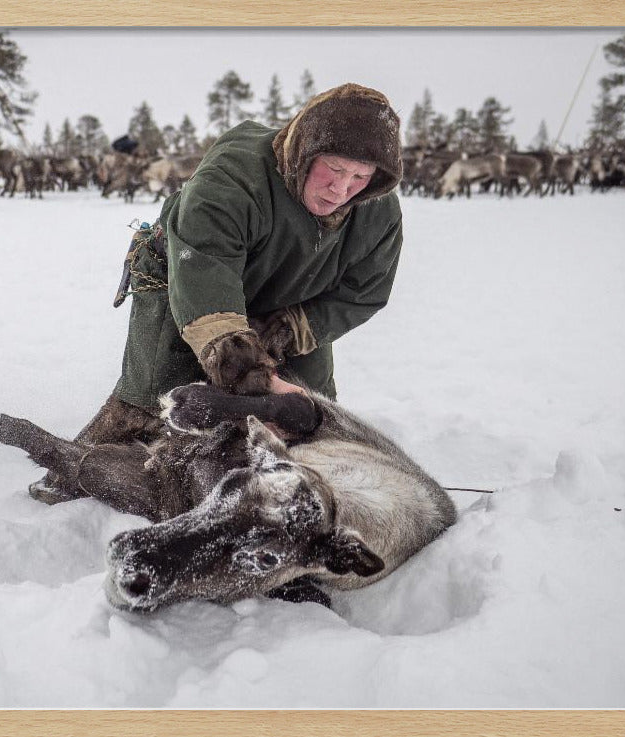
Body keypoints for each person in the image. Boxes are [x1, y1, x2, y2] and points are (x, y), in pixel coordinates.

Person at [30, 82, 404, 503]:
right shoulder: (233, 178)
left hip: (288, 304)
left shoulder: (378, 214)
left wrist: (291, 328)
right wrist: (250, 375)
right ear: (306, 152)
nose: (342, 189)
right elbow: (205, 265)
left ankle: (301, 492)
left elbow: (364, 291)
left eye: (360, 176)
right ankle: (67, 474)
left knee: (310, 413)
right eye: (333, 169)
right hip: (186, 275)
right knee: (155, 395)